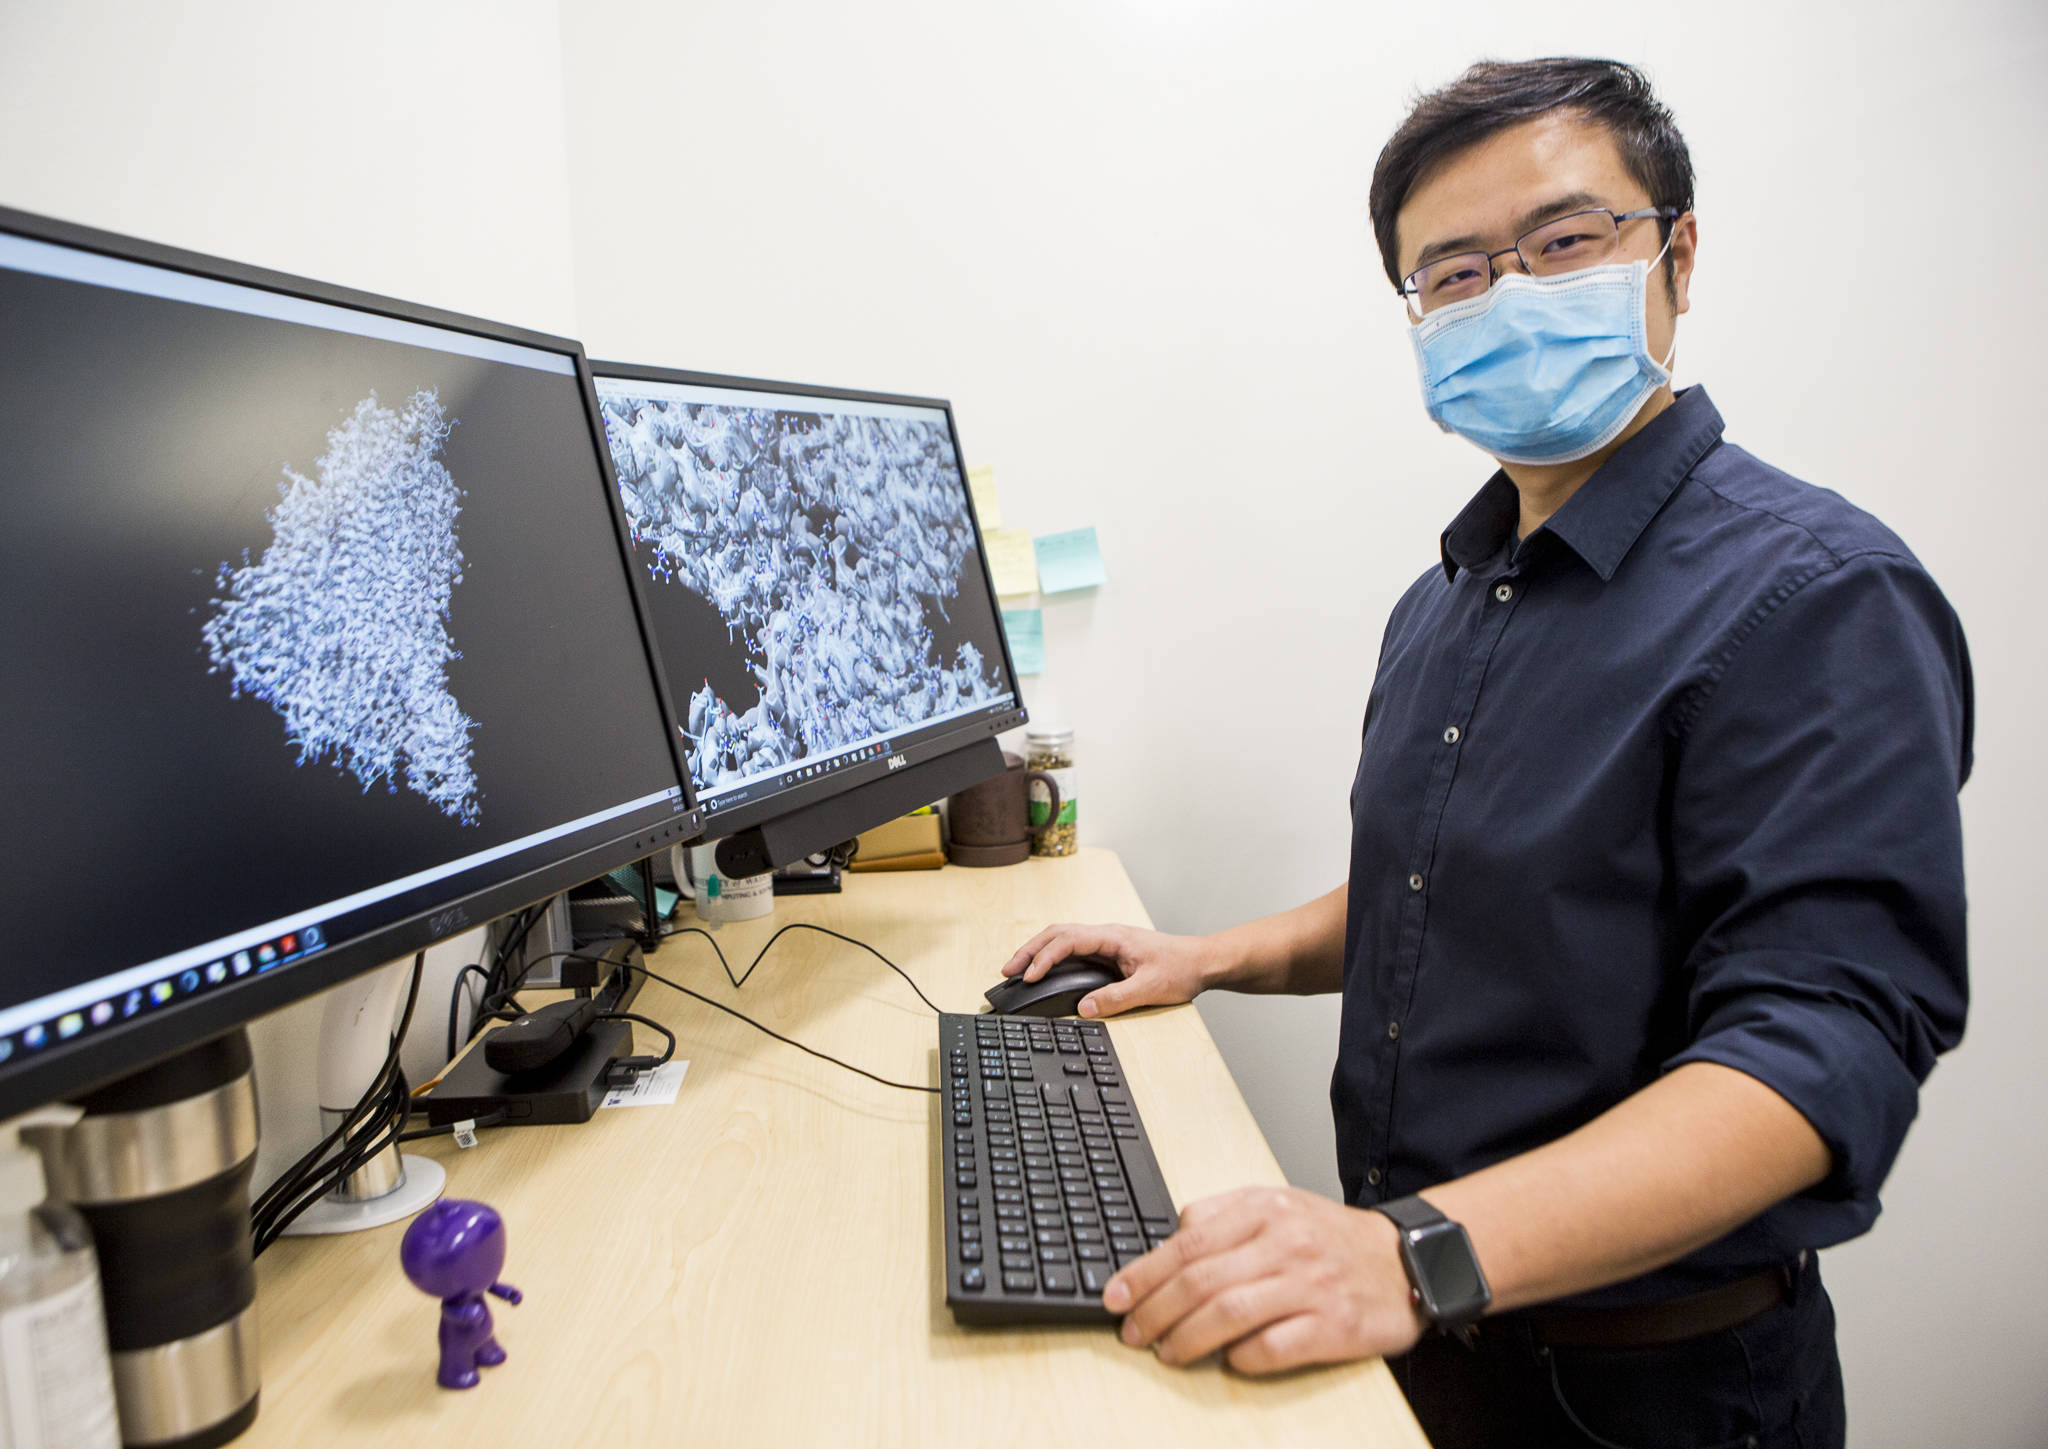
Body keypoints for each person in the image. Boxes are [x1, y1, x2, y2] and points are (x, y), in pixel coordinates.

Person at [998, 57, 1970, 1449]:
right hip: (1428, 1330)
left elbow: (1821, 1049)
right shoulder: (1454, 596)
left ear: (1676, 257)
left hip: (1646, 1384)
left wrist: (1407, 1252)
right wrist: (1211, 955)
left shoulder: (1814, 597)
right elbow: (1439, 893)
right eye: (1454, 272)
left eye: (1565, 243)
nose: (1507, 295)